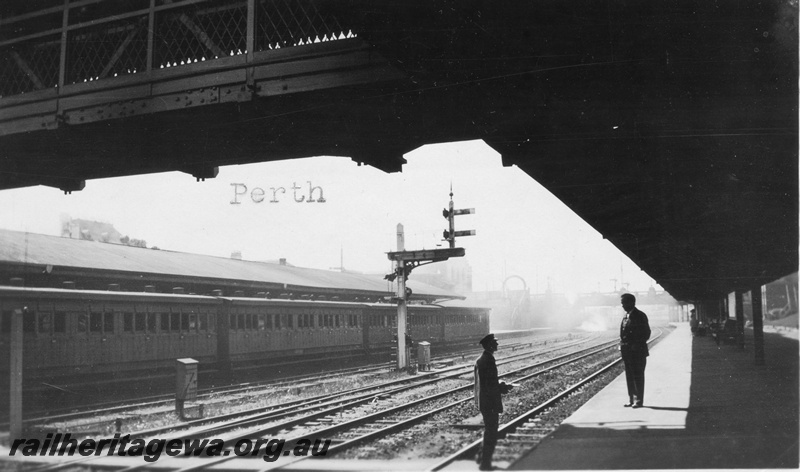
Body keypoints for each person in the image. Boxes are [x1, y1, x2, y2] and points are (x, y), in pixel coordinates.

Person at [474, 333, 513, 471]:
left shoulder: (481, 359)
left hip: (484, 401)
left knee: (489, 430)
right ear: (490, 345)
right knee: (491, 431)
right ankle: (485, 464)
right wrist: (503, 387)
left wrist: (499, 385)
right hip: (489, 402)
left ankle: (481, 458)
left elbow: (486, 382)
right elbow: (490, 384)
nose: (497, 345)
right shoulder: (488, 360)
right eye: (495, 343)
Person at [619, 293, 651, 408]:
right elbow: (623, 334)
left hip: (637, 353)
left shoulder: (640, 316)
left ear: (631, 302)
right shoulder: (625, 316)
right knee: (629, 376)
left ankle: (638, 400)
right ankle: (631, 399)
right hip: (627, 352)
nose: (622, 305)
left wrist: (636, 345)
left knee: (638, 376)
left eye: (624, 303)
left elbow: (646, 333)